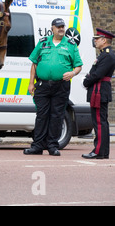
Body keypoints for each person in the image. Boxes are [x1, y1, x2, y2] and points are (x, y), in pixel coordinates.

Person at [24, 18, 83, 156]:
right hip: (43, 85)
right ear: (52, 28)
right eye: (58, 27)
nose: (61, 29)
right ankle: (37, 146)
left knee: (56, 116)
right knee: (41, 116)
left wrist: (73, 73)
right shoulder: (43, 42)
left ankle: (52, 146)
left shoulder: (70, 45)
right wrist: (31, 82)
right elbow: (34, 63)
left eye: (62, 26)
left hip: (61, 86)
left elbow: (79, 65)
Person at [82, 28, 115, 159]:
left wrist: (86, 81)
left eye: (97, 38)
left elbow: (97, 74)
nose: (95, 41)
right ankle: (102, 151)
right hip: (100, 90)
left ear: (104, 40)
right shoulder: (105, 54)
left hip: (99, 91)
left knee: (99, 122)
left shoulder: (107, 55)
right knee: (101, 122)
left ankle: (99, 151)